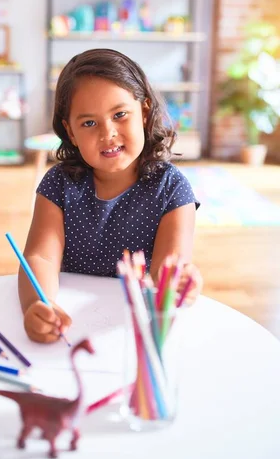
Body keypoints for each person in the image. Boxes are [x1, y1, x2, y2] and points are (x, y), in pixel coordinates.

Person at [19, 49, 202, 343]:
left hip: (130, 333)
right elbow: (40, 256)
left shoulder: (172, 189)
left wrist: (177, 284)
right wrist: (36, 304)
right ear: (71, 132)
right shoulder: (58, 184)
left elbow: (167, 271)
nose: (108, 133)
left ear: (144, 112)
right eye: (89, 123)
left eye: (120, 115)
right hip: (71, 327)